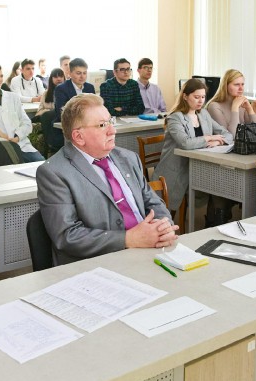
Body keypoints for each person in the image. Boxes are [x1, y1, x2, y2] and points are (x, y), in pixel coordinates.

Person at [36, 94, 178, 265]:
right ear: (79, 137)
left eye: (111, 121)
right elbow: (67, 236)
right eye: (102, 125)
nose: (113, 130)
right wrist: (128, 239)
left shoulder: (128, 158)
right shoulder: (54, 173)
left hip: (148, 250)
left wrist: (163, 227)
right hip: (97, 263)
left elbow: (152, 202)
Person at [153, 79, 232, 212]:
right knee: (167, 213)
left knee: (222, 185)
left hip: (198, 167)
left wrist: (218, 141)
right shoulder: (175, 118)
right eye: (196, 97)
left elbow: (227, 134)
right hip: (177, 169)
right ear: (185, 96)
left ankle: (213, 219)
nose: (201, 101)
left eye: (203, 97)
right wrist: (209, 138)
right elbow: (186, 143)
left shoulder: (204, 114)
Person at [51, 58, 95, 150]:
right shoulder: (61, 89)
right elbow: (62, 113)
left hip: (87, 126)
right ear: (70, 73)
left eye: (84, 73)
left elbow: (94, 109)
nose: (82, 76)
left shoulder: (90, 88)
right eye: (78, 73)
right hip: (66, 129)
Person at [206, 69, 256, 136]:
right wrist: (235, 108)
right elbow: (231, 136)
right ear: (225, 86)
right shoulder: (214, 106)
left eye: (242, 84)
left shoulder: (242, 104)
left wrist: (250, 109)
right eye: (236, 84)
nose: (241, 88)